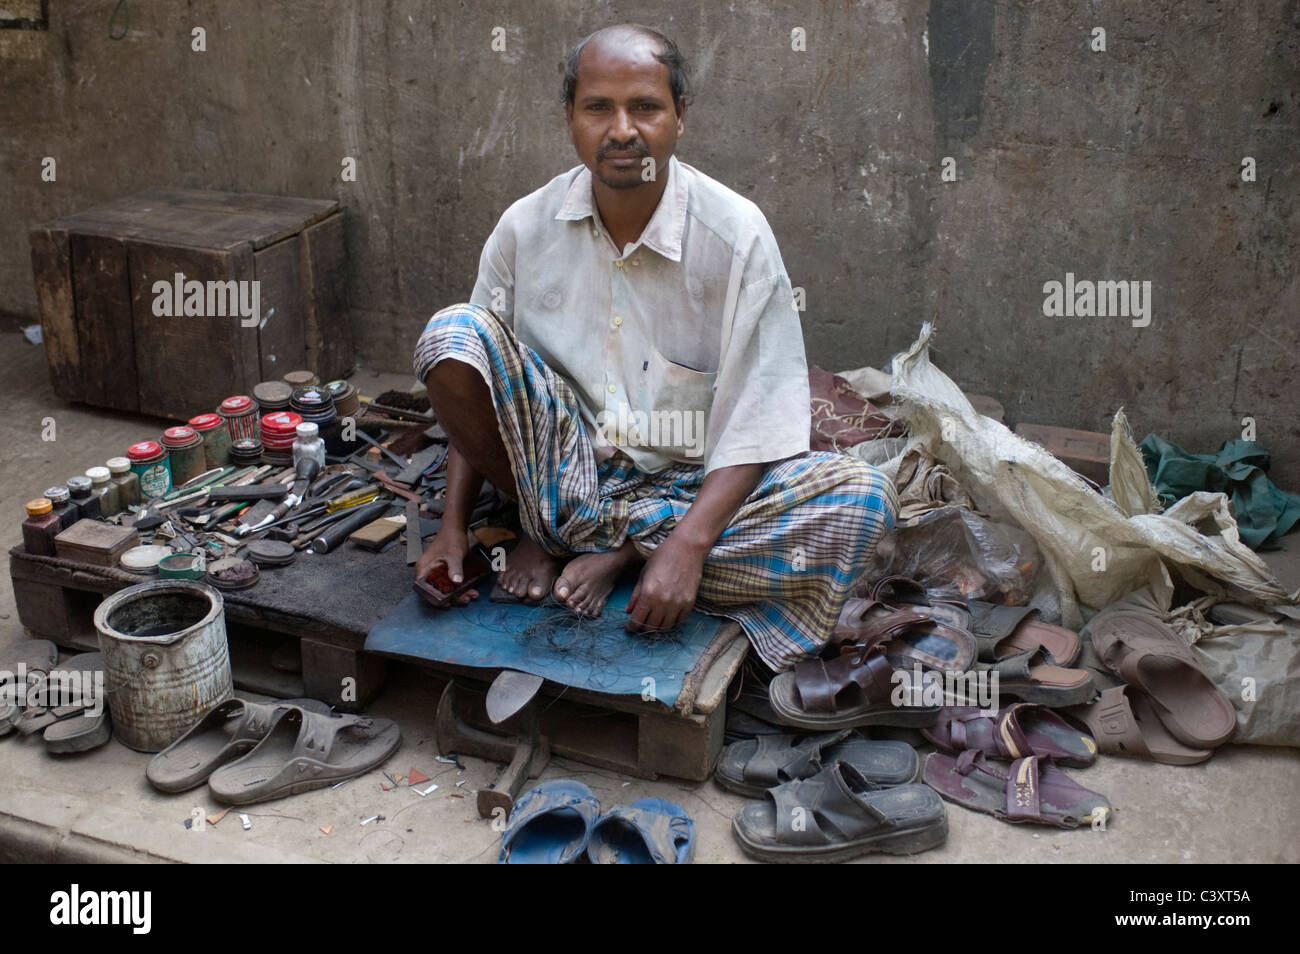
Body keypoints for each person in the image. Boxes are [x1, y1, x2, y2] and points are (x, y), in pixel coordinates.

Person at [412, 23, 897, 671]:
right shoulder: (525, 227)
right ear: (569, 118)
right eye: (597, 108)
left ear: (679, 117)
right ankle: (559, 533)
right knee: (453, 335)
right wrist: (452, 527)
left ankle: (624, 553)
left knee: (863, 498)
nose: (621, 130)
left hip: (686, 483)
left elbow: (760, 421)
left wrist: (685, 546)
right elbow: (481, 383)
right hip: (558, 477)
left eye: (645, 107)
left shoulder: (735, 234)